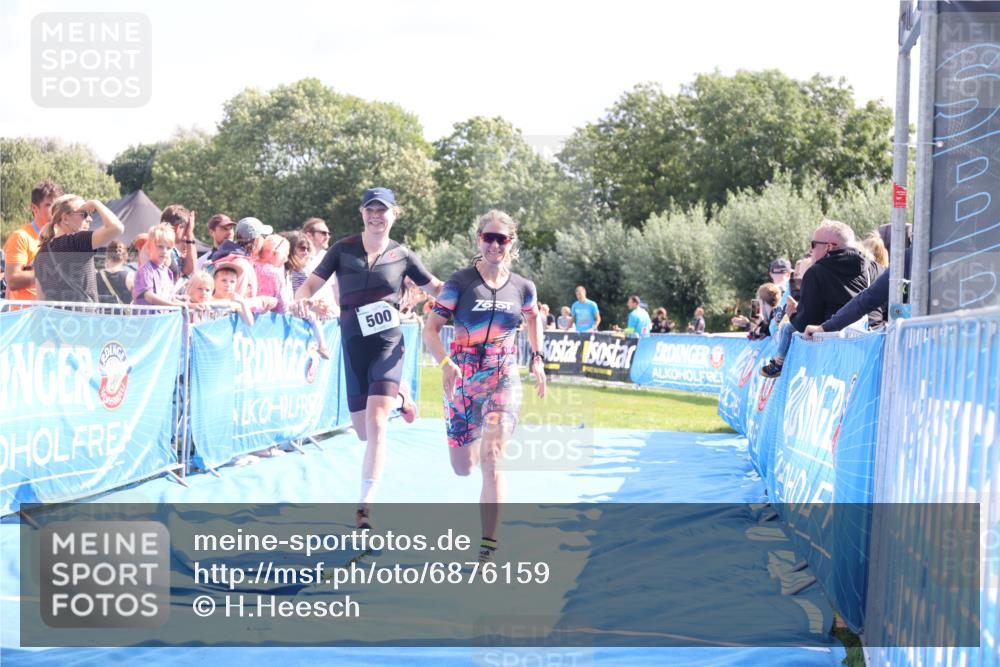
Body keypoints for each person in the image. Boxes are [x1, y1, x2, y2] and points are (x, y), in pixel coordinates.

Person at [293, 187, 443, 529]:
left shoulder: (403, 255)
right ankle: (402, 395)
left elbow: (437, 287)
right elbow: (309, 285)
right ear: (362, 213)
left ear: (394, 214)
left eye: (383, 211)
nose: (376, 216)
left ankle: (365, 507)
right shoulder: (342, 250)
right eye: (370, 210)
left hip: (388, 343)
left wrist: (467, 291)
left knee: (377, 424)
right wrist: (301, 298)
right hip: (353, 344)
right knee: (361, 431)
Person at [422, 209, 546, 565]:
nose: (494, 245)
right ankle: (471, 442)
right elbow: (431, 330)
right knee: (463, 467)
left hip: (502, 376)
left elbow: (534, 317)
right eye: (488, 238)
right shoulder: (459, 284)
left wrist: (537, 357)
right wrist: (445, 363)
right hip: (461, 380)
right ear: (479, 240)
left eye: (501, 239)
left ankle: (488, 547)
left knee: (492, 460)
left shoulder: (523, 287)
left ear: (511, 244)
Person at [761, 220, 879, 378]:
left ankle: (778, 363)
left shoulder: (816, 272)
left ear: (830, 247)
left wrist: (793, 313)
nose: (810, 250)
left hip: (832, 359)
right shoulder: (874, 268)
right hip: (872, 349)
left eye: (813, 244)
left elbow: (807, 323)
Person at [34, 194, 124, 302]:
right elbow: (117, 228)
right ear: (65, 218)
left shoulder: (41, 253)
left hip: (54, 317)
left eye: (90, 214)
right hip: (83, 317)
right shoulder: (77, 241)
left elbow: (40, 299)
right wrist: (96, 203)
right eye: (84, 214)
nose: (90, 219)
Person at [3, 180, 63, 302]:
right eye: (49, 205)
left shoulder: (65, 235)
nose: (56, 209)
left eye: (59, 204)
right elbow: (13, 280)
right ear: (34, 208)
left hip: (55, 314)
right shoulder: (21, 237)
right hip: (26, 315)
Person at [133, 223, 190, 307]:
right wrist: (173, 305)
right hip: (147, 319)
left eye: (168, 248)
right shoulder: (145, 270)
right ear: (149, 247)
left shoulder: (168, 273)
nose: (164, 251)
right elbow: (149, 296)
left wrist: (187, 305)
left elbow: (169, 298)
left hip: (163, 318)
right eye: (160, 246)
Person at [255, 234, 293, 314]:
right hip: (266, 321)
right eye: (285, 254)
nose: (286, 259)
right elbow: (283, 307)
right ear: (275, 252)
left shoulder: (250, 265)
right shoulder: (274, 274)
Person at [96, 240, 135, 304]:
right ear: (125, 257)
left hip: (101, 314)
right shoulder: (131, 277)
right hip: (123, 314)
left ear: (107, 255)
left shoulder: (95, 276)